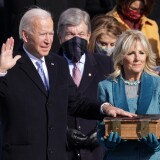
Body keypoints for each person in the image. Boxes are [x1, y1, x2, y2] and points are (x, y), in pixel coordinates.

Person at [0, 7, 135, 160]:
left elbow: (75, 101)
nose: (48, 40)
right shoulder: (9, 64)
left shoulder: (58, 64)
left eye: (50, 34)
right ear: (25, 35)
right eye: (43, 34)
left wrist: (105, 108)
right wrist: (1, 72)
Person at [57, 8, 113, 160]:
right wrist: (61, 132)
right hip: (63, 151)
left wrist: (104, 131)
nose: (76, 39)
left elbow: (117, 104)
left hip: (97, 152)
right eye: (70, 34)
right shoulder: (50, 66)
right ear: (60, 36)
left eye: (81, 34)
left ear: (89, 36)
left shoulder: (106, 64)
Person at [97, 30, 160, 160]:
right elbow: (100, 131)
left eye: (141, 53)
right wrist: (108, 143)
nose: (137, 58)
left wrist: (157, 145)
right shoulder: (106, 86)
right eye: (131, 53)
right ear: (120, 57)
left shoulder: (158, 85)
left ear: (147, 56)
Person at [107, 0, 160, 65]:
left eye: (141, 9)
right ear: (123, 4)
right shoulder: (108, 22)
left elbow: (157, 59)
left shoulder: (151, 25)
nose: (138, 12)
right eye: (133, 9)